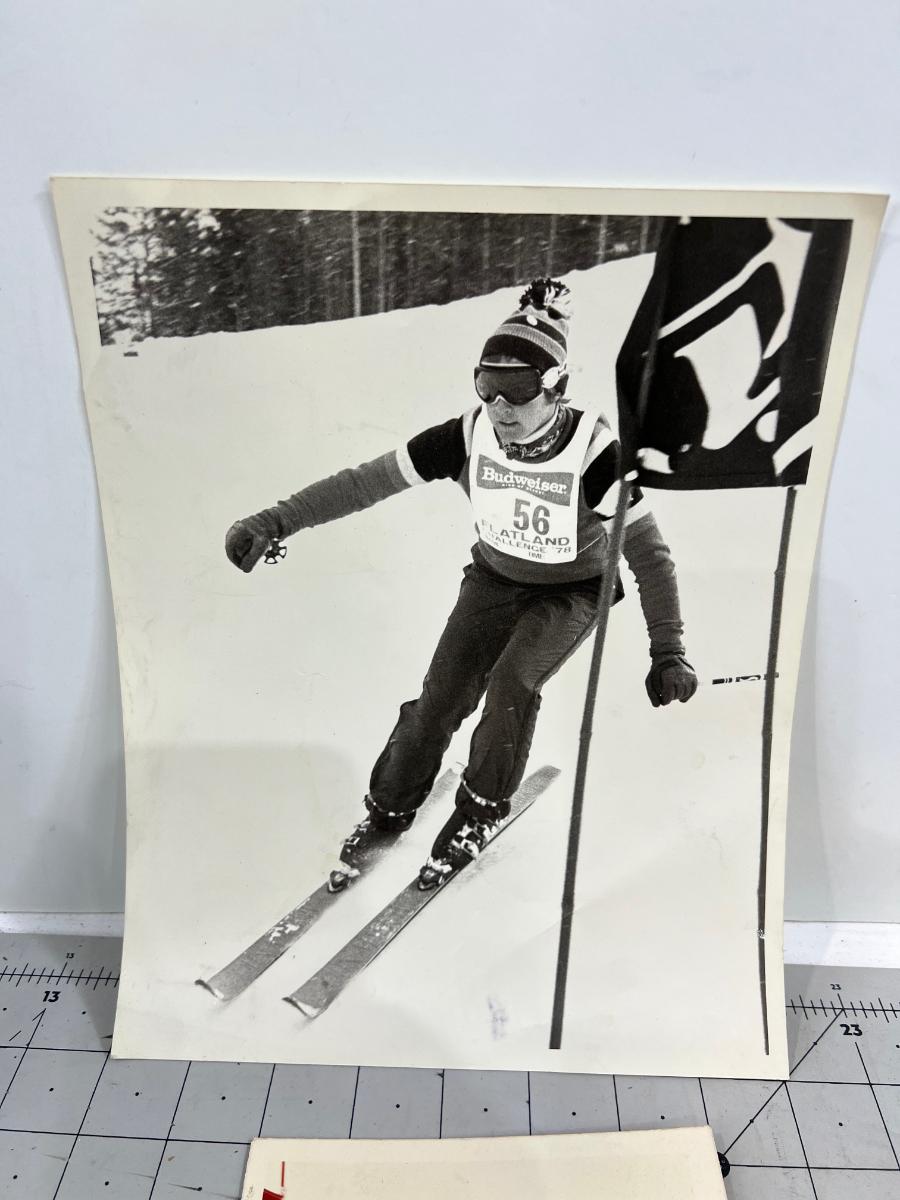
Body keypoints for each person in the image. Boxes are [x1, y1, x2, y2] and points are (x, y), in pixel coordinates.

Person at [225, 278, 697, 891]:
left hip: (573, 591)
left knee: (511, 685)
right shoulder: (467, 437)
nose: (501, 407)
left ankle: (479, 810)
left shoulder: (596, 455)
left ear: (556, 387)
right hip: (494, 579)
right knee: (440, 697)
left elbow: (651, 557)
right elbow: (364, 482)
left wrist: (669, 650)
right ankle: (389, 807)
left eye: (519, 389)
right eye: (486, 385)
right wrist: (274, 520)